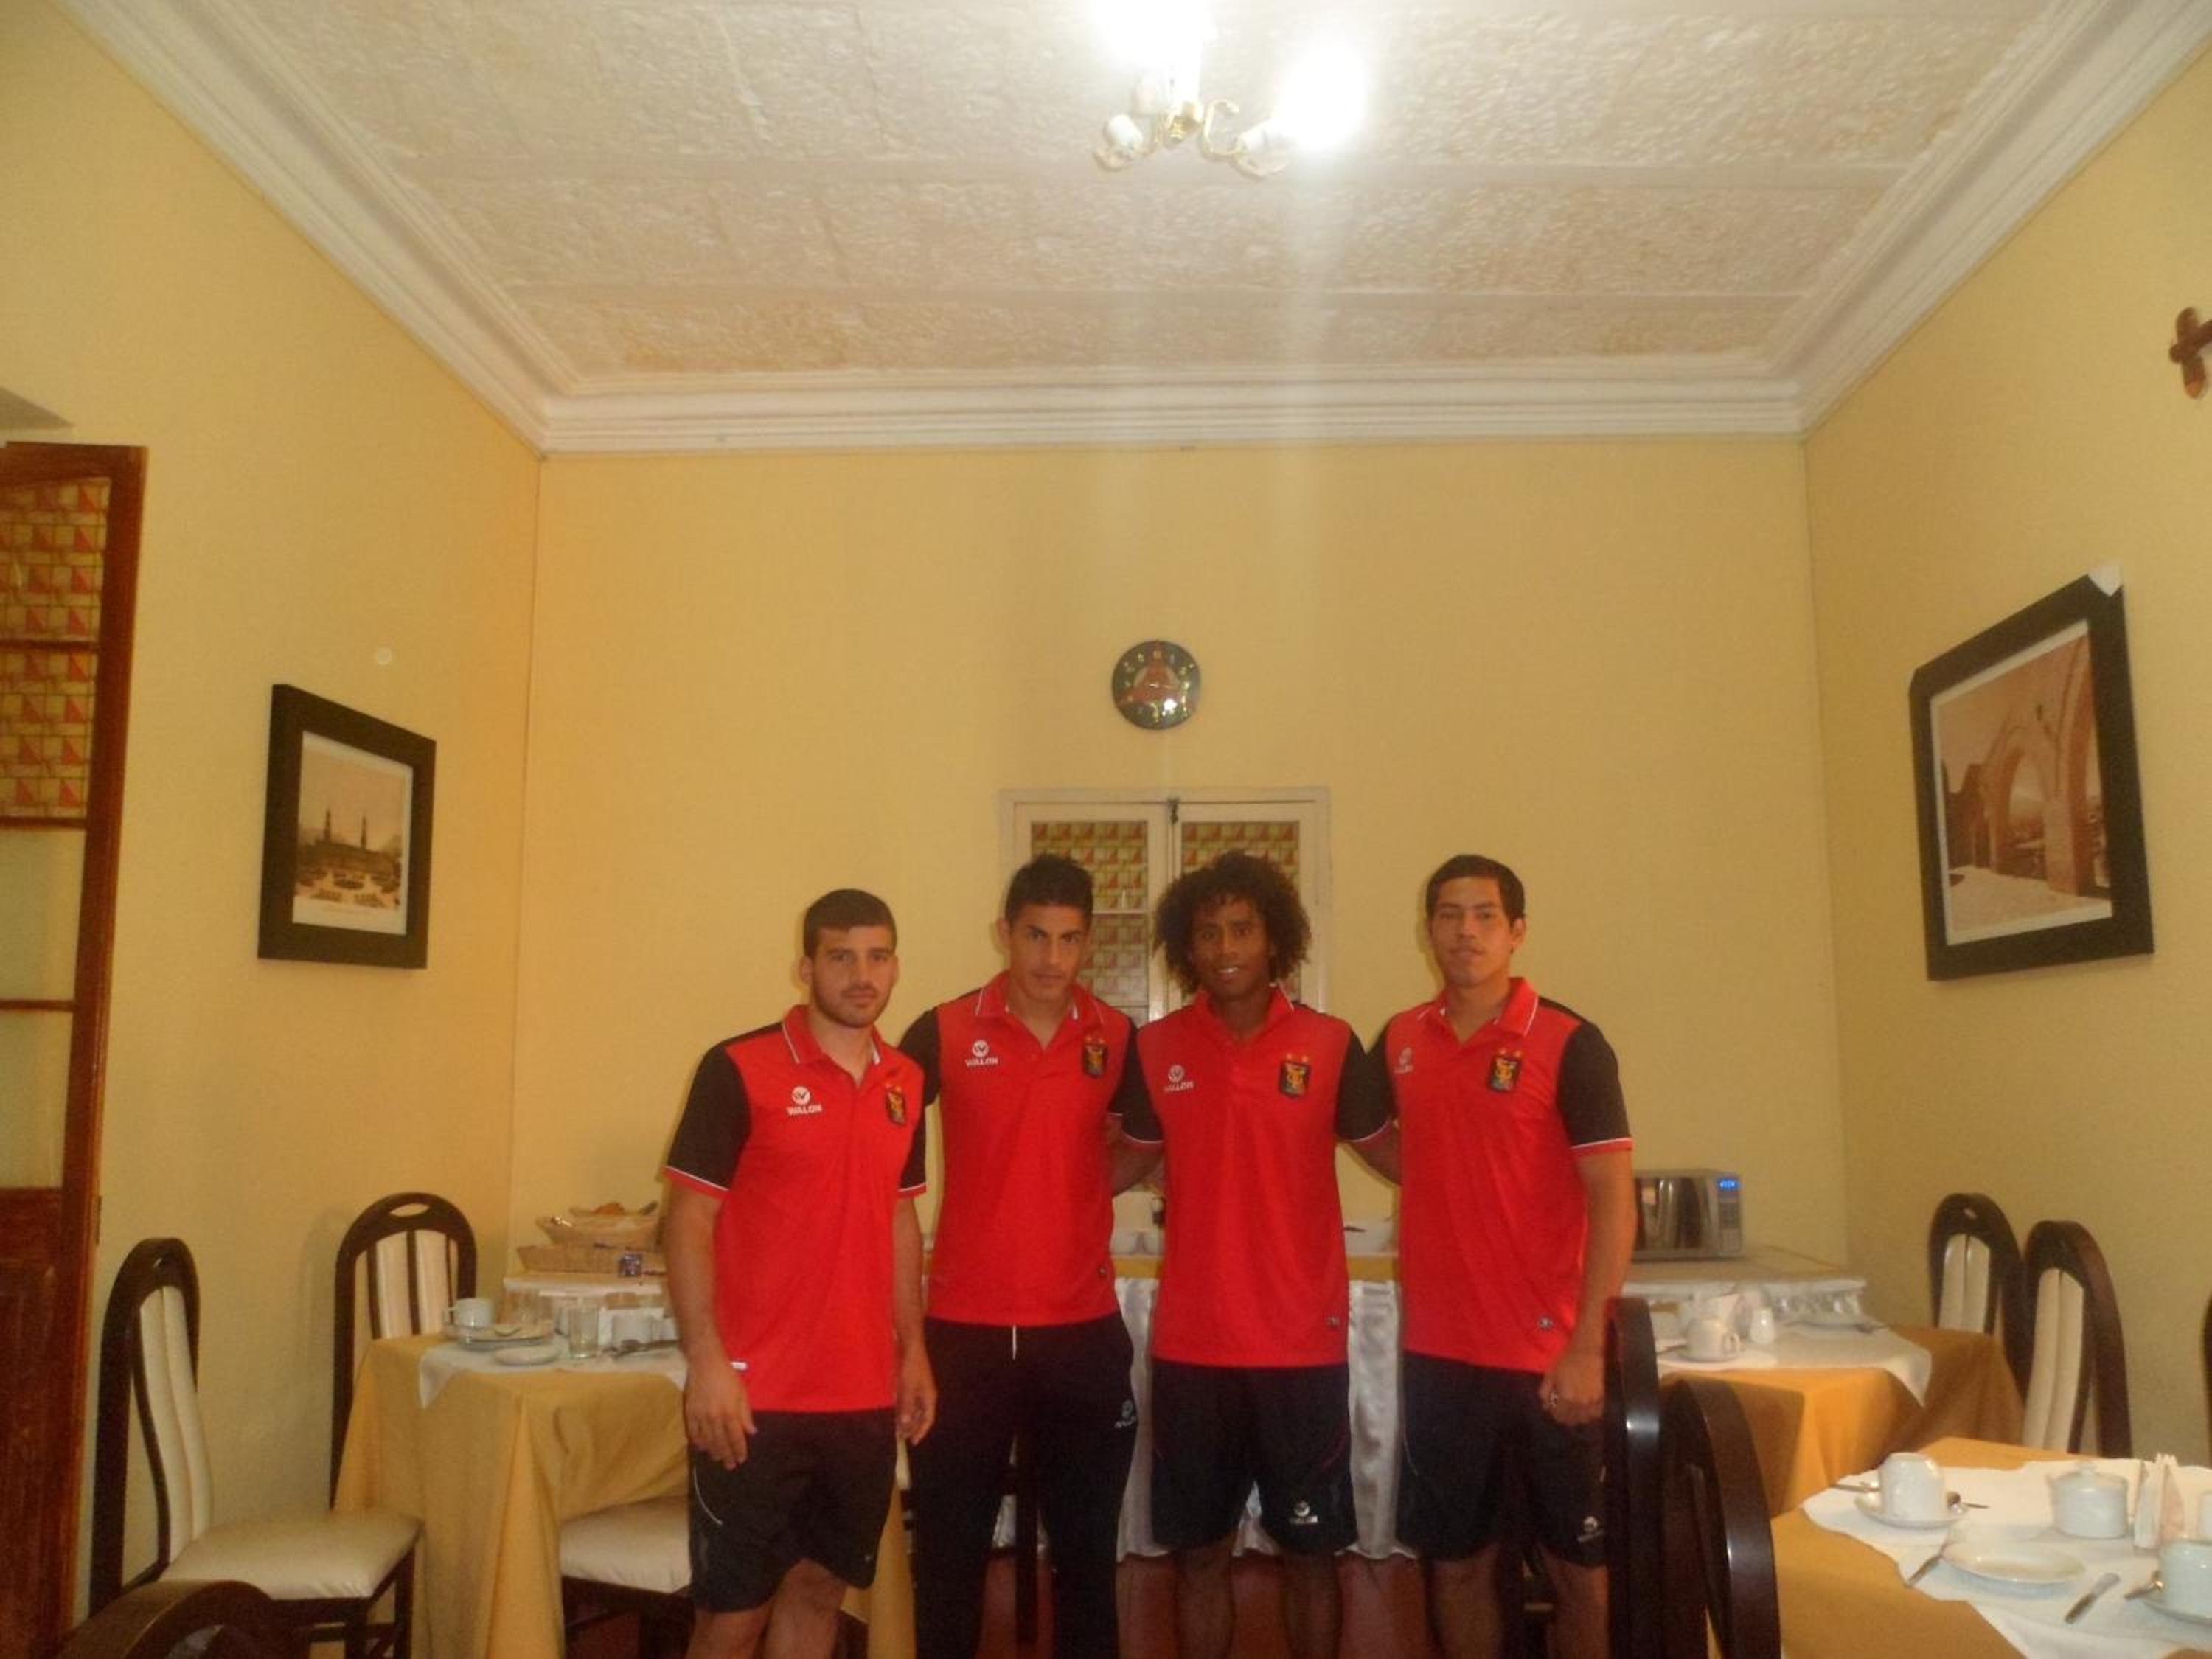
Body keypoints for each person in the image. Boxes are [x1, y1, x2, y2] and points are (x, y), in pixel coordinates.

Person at [1360, 855, 1635, 1659]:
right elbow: (1364, 1129)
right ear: (1428, 931)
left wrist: (1587, 1347)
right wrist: (1431, 1172)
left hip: (1549, 1357)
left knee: (1579, 1572)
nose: (1466, 931)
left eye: (1484, 915)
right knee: (1457, 1565)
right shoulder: (1402, 1039)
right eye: (1449, 915)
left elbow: (1613, 1200)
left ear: (1517, 932)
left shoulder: (1571, 1042)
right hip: (1441, 1355)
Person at [1118, 850, 1390, 1659]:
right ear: (1187, 948)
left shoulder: (1331, 1044)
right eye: (1208, 933)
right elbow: (1118, 1163)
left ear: (1276, 941)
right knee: (1199, 1558)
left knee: (1311, 1556)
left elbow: (1403, 1156)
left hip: (1300, 1347)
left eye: (1242, 929)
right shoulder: (1156, 1048)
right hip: (1193, 1348)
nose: (1226, 946)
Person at [661, 888, 937, 1659]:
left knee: (819, 1592)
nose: (861, 975)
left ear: (895, 967)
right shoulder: (738, 1068)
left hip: (861, 1397)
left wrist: (913, 1349)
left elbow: (900, 1219)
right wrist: (707, 1361)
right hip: (755, 1399)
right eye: (840, 957)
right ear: (806, 968)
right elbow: (688, 1221)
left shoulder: (906, 1081)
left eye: (877, 957)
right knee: (732, 1616)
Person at [897, 853, 1148, 1659]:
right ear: (1004, 933)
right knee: (948, 1557)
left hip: (1081, 1329)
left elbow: (1149, 1142)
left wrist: (1082, 1185)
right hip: (964, 1333)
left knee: (1087, 1558)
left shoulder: (1117, 1037)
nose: (1051, 958)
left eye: (1069, 940)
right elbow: (876, 1143)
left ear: (1089, 943)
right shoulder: (943, 1029)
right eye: (1036, 936)